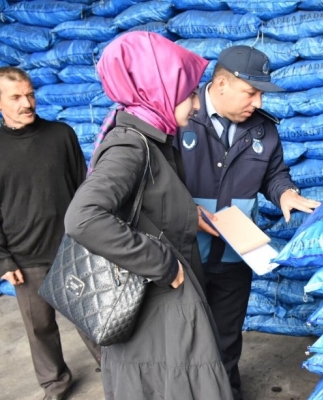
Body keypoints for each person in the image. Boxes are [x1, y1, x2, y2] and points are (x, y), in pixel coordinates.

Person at [64, 32, 233, 400]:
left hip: (162, 303)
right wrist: (162, 264)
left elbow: (147, 203)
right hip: (153, 305)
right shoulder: (129, 146)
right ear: (158, 89)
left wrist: (190, 212)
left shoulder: (152, 138)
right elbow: (83, 217)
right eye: (188, 94)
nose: (197, 106)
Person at [175, 45, 320, 400]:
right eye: (250, 92)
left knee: (226, 339)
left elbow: (274, 174)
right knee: (180, 341)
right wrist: (183, 212)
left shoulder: (263, 130)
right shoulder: (178, 119)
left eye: (260, 94)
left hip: (234, 253)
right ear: (221, 84)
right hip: (183, 254)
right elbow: (151, 183)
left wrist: (284, 193)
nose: (257, 102)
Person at [0, 66, 101, 400]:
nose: (26, 103)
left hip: (70, 247)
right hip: (24, 255)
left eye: (29, 94)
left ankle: (119, 370)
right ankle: (55, 383)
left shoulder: (61, 135)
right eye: (15, 97)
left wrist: (90, 239)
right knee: (39, 328)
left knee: (92, 319)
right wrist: (3, 259)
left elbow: (83, 190)